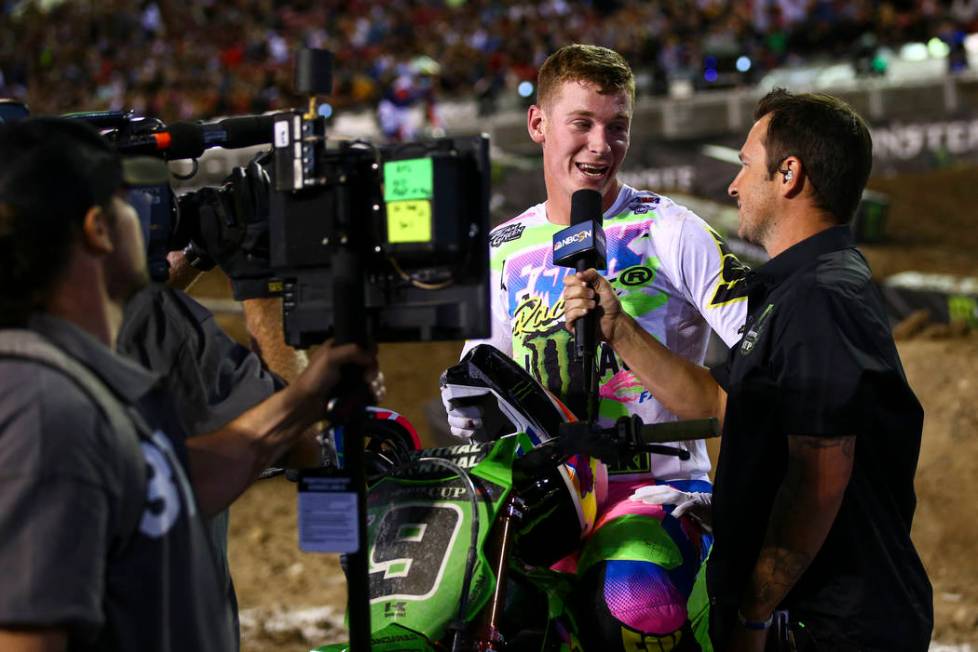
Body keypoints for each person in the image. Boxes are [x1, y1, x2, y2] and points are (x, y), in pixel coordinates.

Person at [562, 89, 933, 650]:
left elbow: (819, 479)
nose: (733, 185)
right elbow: (720, 406)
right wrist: (618, 328)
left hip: (831, 624)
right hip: (817, 612)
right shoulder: (796, 291)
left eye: (743, 165)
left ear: (789, 174)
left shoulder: (821, 299)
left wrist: (755, 613)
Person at [0, 117, 375, 651]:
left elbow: (174, 481)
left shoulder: (69, 375)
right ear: (98, 230)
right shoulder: (44, 407)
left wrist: (305, 396)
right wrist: (260, 289)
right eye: (130, 202)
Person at [442, 44, 749, 649]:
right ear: (538, 124)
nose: (601, 146)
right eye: (581, 123)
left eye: (617, 127)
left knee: (627, 598)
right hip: (547, 500)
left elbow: (761, 364)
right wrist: (467, 402)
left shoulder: (673, 231)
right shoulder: (503, 249)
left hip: (661, 490)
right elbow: (492, 379)